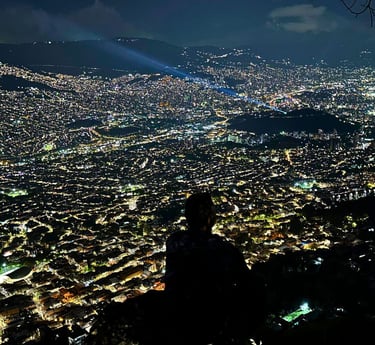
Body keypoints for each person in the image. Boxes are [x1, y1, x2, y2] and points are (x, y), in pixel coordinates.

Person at [163, 192, 266, 345]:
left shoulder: (174, 241)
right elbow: (248, 283)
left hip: (176, 318)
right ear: (210, 217)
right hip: (212, 322)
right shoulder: (223, 249)